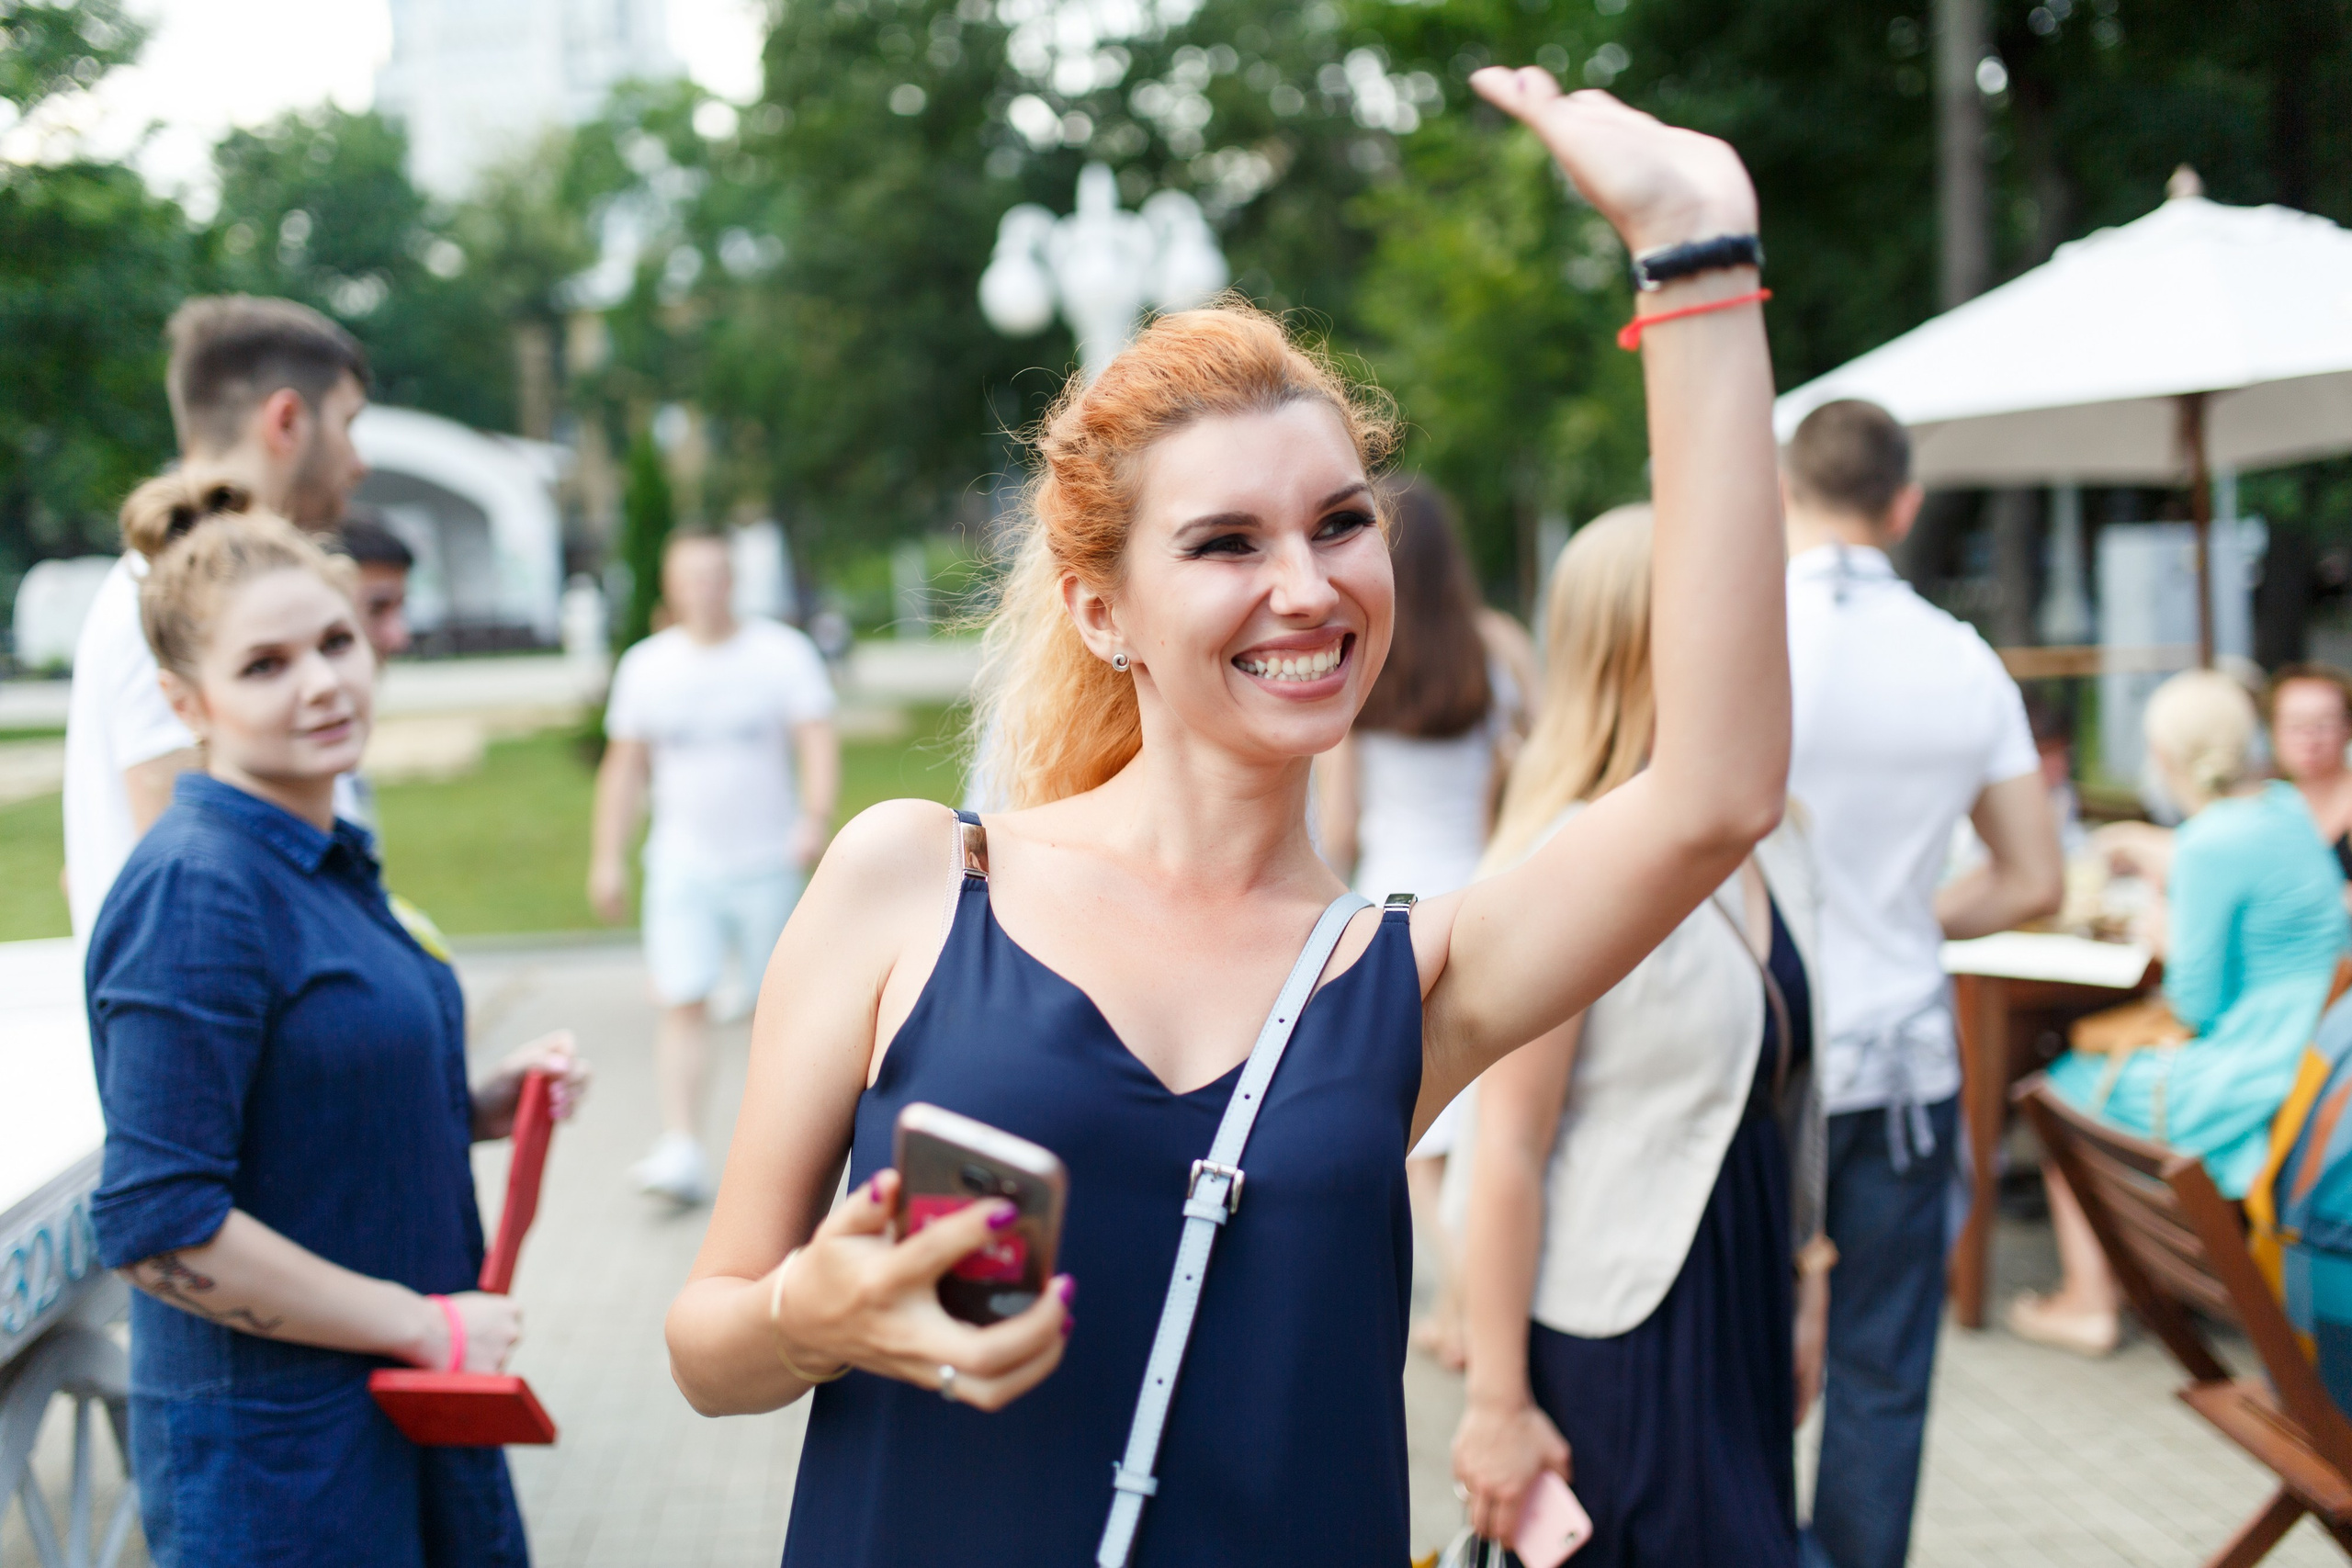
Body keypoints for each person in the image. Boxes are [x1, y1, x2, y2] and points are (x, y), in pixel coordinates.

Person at [666, 73, 1791, 1567]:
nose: (1311, 586)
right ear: (1101, 607)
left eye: (1339, 522)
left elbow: (1716, 792)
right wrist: (812, 1314)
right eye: (1225, 544)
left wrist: (1697, 255)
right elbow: (704, 1344)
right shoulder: (916, 882)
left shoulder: (1409, 975)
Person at [84, 472, 590, 1568]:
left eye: (335, 641)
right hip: (282, 1470)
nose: (321, 683)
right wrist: (422, 1324)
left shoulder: (320, 855)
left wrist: (472, 1105)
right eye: (264, 666)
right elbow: (159, 1225)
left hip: (402, 1418)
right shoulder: (198, 887)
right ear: (186, 703)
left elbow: (297, 1100)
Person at [1451, 504, 1831, 1565]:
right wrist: (1495, 1399)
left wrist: (1809, 1276)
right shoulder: (1563, 861)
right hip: (1625, 1314)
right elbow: (1506, 1148)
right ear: (1653, 640)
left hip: (1746, 1277)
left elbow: (1789, 1088)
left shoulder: (1773, 834)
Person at [1781, 398, 2063, 1568]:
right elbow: (2031, 876)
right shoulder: (1960, 656)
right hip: (1900, 1052)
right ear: (1903, 505)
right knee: (1882, 1364)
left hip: (1759, 1048)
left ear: (1786, 492)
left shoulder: (1731, 633)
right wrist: (1901, 915)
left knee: (1739, 1349)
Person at [2012, 671, 2351, 1355]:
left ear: (2167, 753)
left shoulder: (2208, 844)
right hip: (2317, 1051)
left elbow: (2195, 1003)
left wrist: (2162, 927)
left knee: (2060, 1093)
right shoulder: (2283, 806)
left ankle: (2090, 1300)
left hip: (2253, 1064)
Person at [63, 295, 370, 942]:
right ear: (287, 420)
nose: (358, 461)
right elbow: (193, 915)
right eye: (350, 422)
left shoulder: (198, 590)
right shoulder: (171, 602)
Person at [1315, 475, 1507, 1370]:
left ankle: (1464, 1307)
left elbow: (1342, 825)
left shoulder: (1358, 662)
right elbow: (1531, 766)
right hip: (1483, 889)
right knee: (1483, 1115)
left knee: (1415, 1138)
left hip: (1396, 899)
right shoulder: (1495, 649)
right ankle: (1477, 1306)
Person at [591, 529, 841, 1204]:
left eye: (715, 573)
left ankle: (783, 1162)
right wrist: (607, 859)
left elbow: (816, 739)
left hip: (766, 862)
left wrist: (812, 818)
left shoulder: (780, 655)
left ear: (732, 580)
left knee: (777, 1011)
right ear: (670, 585)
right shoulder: (647, 666)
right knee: (683, 999)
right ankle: (681, 1146)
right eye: (690, 576)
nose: (704, 588)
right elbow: (625, 769)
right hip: (683, 864)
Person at [2267, 663, 2352, 880]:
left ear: (2347, 727)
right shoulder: (2263, 806)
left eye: (2323, 724)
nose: (2309, 738)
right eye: (2294, 725)